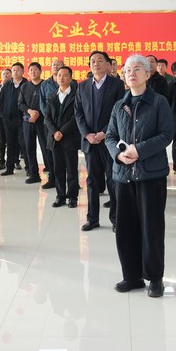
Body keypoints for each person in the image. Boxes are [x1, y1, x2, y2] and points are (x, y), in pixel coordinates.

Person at [105, 55, 173, 298]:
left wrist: (139, 150)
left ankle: (154, 278)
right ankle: (131, 276)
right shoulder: (118, 105)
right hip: (123, 176)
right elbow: (110, 135)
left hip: (151, 176)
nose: (131, 73)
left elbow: (167, 134)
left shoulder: (158, 102)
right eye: (127, 70)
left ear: (147, 74)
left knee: (151, 228)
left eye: (137, 69)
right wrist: (117, 154)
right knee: (125, 228)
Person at [75, 51, 125, 231]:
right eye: (92, 61)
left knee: (113, 179)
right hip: (90, 142)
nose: (95, 63)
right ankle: (92, 218)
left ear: (108, 65)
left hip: (109, 141)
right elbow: (78, 113)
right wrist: (87, 134)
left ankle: (116, 219)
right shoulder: (82, 86)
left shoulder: (117, 85)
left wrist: (104, 132)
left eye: (100, 61)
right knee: (92, 181)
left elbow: (119, 112)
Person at [44, 66, 80, 208]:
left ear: (70, 78)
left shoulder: (76, 95)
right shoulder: (52, 95)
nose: (61, 78)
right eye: (59, 75)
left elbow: (76, 117)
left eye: (65, 75)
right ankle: (60, 196)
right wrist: (54, 132)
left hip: (69, 137)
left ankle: (72, 196)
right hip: (54, 138)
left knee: (71, 168)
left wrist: (62, 132)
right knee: (57, 168)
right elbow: (47, 117)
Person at [18, 61, 53, 186]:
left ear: (41, 71)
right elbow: (20, 103)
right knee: (29, 147)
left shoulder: (45, 85)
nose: (33, 72)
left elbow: (49, 103)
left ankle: (51, 175)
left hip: (43, 122)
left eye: (35, 69)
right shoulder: (24, 86)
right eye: (31, 70)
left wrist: (37, 113)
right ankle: (33, 174)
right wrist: (30, 111)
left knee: (46, 148)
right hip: (28, 121)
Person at [0, 62, 26, 176]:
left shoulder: (26, 85)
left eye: (18, 70)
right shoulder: (6, 85)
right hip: (8, 119)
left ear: (23, 71)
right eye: (13, 70)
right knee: (10, 143)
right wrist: (3, 114)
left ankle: (30, 168)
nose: (15, 72)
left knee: (24, 144)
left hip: (23, 119)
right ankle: (9, 168)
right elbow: (1, 100)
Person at [0, 67, 12, 170]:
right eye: (4, 74)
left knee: (12, 140)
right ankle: (1, 161)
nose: (5, 75)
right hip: (1, 117)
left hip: (11, 117)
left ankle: (14, 161)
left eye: (7, 73)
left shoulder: (13, 87)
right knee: (2, 140)